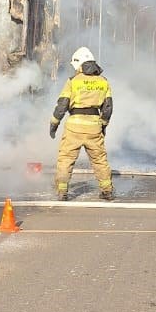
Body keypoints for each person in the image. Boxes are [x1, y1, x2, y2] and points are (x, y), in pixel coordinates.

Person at [49, 46, 113, 201]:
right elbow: (108, 108)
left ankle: (62, 191)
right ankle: (107, 191)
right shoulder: (103, 82)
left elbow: (62, 105)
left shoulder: (73, 81)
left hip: (74, 127)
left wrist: (54, 123)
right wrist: (102, 125)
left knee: (66, 159)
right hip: (93, 127)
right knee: (99, 160)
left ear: (79, 63)